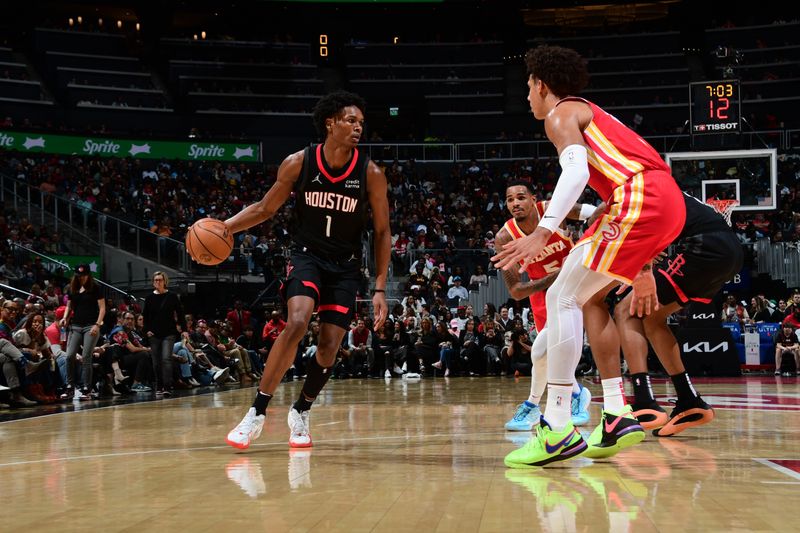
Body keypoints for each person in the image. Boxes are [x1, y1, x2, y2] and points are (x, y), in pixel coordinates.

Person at [494, 45, 685, 467]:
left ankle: (557, 425)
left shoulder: (561, 112)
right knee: (585, 299)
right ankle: (616, 414)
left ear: (542, 84)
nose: (528, 97)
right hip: (661, 201)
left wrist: (544, 231)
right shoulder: (593, 112)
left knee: (563, 296)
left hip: (639, 198)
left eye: (528, 87)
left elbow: (576, 172)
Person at [219, 91, 390, 450]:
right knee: (297, 321)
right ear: (330, 122)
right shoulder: (299, 163)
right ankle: (257, 413)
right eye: (350, 120)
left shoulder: (370, 173)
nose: (358, 127)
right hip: (307, 256)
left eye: (361, 122)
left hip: (345, 267)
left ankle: (301, 410)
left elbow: (383, 231)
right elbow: (266, 208)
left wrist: (379, 287)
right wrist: (226, 227)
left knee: (329, 345)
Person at [614, 193, 742, 438]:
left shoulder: (637, 188)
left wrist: (642, 266)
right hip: (729, 251)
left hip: (705, 247)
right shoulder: (664, 188)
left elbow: (646, 227)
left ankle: (644, 403)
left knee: (626, 311)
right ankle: (689, 401)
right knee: (651, 318)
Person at [495, 181, 593, 437]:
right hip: (542, 297)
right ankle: (577, 395)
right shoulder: (505, 237)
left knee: (541, 352)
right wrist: (557, 277)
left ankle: (533, 405)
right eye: (509, 200)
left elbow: (590, 212)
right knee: (550, 356)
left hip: (575, 288)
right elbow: (516, 290)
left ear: (532, 199)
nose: (515, 203)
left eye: (521, 197)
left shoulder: (552, 209)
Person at [60, 264, 106, 400]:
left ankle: (87, 388)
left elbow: (102, 308)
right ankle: (69, 387)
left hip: (91, 326)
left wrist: (97, 325)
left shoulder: (95, 287)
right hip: (76, 325)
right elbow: (69, 305)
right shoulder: (72, 288)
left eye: (85, 275)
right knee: (69, 356)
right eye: (80, 276)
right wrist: (64, 317)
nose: (82, 278)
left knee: (86, 356)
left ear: (88, 275)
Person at [142, 271, 187, 396]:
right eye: (155, 280)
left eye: (160, 280)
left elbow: (181, 314)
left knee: (166, 358)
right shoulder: (149, 298)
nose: (157, 282)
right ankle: (159, 385)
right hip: (154, 334)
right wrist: (147, 331)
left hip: (169, 332)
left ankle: (167, 386)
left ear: (165, 281)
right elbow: (145, 317)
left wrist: (184, 330)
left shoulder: (172, 296)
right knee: (156, 361)